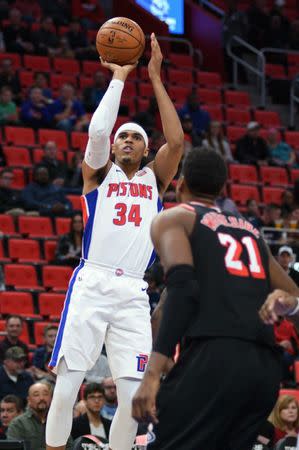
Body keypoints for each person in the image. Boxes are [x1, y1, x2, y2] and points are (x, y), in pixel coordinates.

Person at [45, 33, 184, 450]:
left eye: (135, 137)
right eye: (122, 136)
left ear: (145, 151)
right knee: (67, 387)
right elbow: (99, 131)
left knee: (132, 400)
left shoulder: (154, 179)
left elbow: (175, 142)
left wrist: (155, 77)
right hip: (93, 281)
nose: (126, 140)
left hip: (133, 292)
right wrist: (120, 77)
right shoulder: (98, 177)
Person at [132, 148, 293, 450]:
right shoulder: (252, 232)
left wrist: (153, 374)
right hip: (263, 369)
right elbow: (294, 296)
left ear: (179, 184)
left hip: (215, 358)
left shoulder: (176, 218)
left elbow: (181, 289)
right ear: (221, 190)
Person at [7, 382, 73, 449]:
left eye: (45, 394)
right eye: (36, 395)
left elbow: (70, 447)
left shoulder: (59, 422)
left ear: (51, 398)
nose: (41, 398)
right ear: (29, 400)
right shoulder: (18, 424)